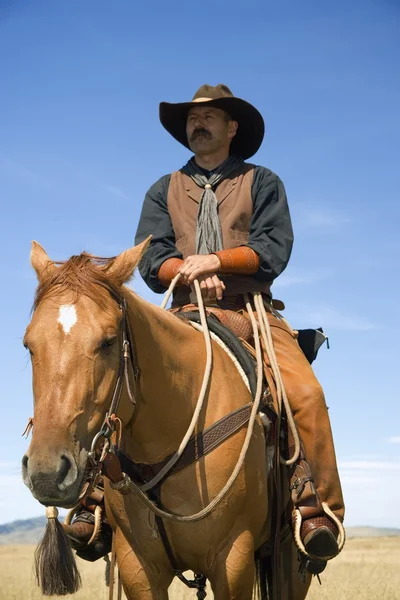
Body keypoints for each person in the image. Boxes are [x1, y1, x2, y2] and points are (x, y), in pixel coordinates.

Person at [134, 83, 345, 569]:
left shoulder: (263, 181)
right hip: (184, 311)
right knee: (118, 376)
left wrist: (215, 262)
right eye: (191, 118)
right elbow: (151, 260)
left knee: (306, 397)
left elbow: (273, 251)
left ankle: (318, 510)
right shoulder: (162, 189)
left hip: (251, 310)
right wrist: (190, 270)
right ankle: (95, 506)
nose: (197, 124)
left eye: (209, 117)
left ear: (232, 128)